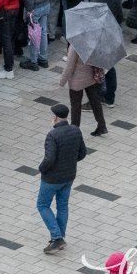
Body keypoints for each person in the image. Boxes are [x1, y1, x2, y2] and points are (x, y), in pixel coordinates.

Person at [38, 102, 87, 254]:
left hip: (52, 178)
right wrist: (69, 163)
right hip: (69, 175)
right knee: (62, 205)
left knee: (43, 205)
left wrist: (41, 168)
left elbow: (49, 159)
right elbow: (82, 153)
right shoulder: (75, 130)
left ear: (56, 118)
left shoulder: (53, 135)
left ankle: (57, 237)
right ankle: (60, 237)